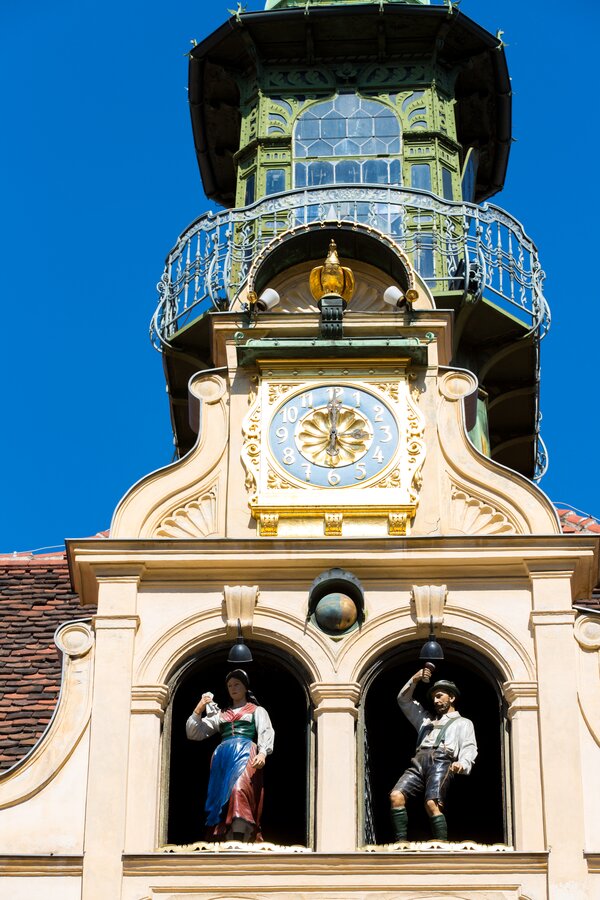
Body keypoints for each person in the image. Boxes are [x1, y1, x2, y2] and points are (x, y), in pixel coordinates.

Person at [186, 669, 274, 842]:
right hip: (223, 758)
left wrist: (263, 753)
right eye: (229, 685)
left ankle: (240, 836)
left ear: (245, 687)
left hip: (246, 753)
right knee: (221, 798)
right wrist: (199, 708)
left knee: (239, 789)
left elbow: (266, 731)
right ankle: (228, 836)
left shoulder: (256, 710)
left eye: (237, 684)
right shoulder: (221, 714)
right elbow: (194, 733)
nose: (233, 688)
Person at [389, 668, 477, 842]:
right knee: (396, 796)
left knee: (432, 803)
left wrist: (463, 763)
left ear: (451, 698)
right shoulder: (425, 721)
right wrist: (414, 679)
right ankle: (401, 842)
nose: (435, 700)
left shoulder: (463, 722)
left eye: (440, 696)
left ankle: (441, 842)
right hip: (419, 760)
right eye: (434, 697)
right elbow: (404, 700)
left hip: (441, 761)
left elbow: (469, 746)